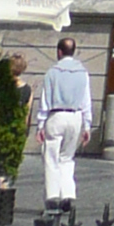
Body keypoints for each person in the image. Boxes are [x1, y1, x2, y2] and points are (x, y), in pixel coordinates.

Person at [35, 34, 94, 207]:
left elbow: (45, 100)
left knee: (51, 158)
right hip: (75, 116)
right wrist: (87, 125)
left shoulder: (52, 72)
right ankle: (68, 194)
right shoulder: (83, 72)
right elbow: (86, 100)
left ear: (59, 52)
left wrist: (40, 124)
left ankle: (53, 196)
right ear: (73, 52)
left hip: (56, 115)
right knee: (67, 158)